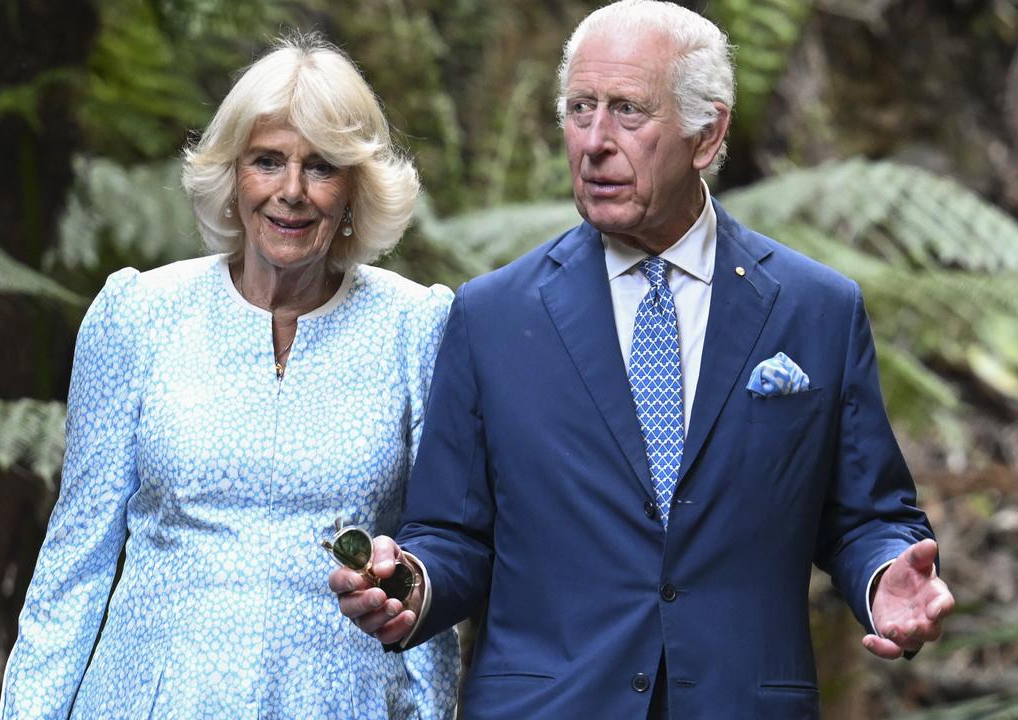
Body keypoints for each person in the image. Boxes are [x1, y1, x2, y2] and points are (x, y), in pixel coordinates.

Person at [331, 2, 954, 718]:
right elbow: (452, 535)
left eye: (628, 111)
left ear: (707, 132)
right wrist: (408, 585)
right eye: (579, 109)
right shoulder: (492, 316)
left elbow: (866, 516)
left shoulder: (816, 310)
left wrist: (884, 577)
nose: (594, 141)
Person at [0, 35, 459, 719]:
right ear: (232, 173)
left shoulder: (415, 325)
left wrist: (431, 709)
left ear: (357, 186)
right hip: (150, 699)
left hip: (340, 701)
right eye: (267, 161)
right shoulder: (138, 315)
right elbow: (75, 562)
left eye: (322, 167)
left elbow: (430, 562)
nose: (291, 192)